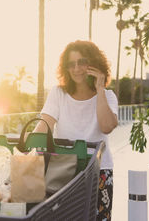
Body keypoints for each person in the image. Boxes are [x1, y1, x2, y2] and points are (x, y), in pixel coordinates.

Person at [34, 40, 118, 220]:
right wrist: (27, 146)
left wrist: (100, 89)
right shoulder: (58, 93)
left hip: (99, 171)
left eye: (82, 62)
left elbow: (106, 126)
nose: (77, 68)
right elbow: (45, 125)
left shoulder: (108, 96)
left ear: (94, 63)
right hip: (63, 169)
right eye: (71, 64)